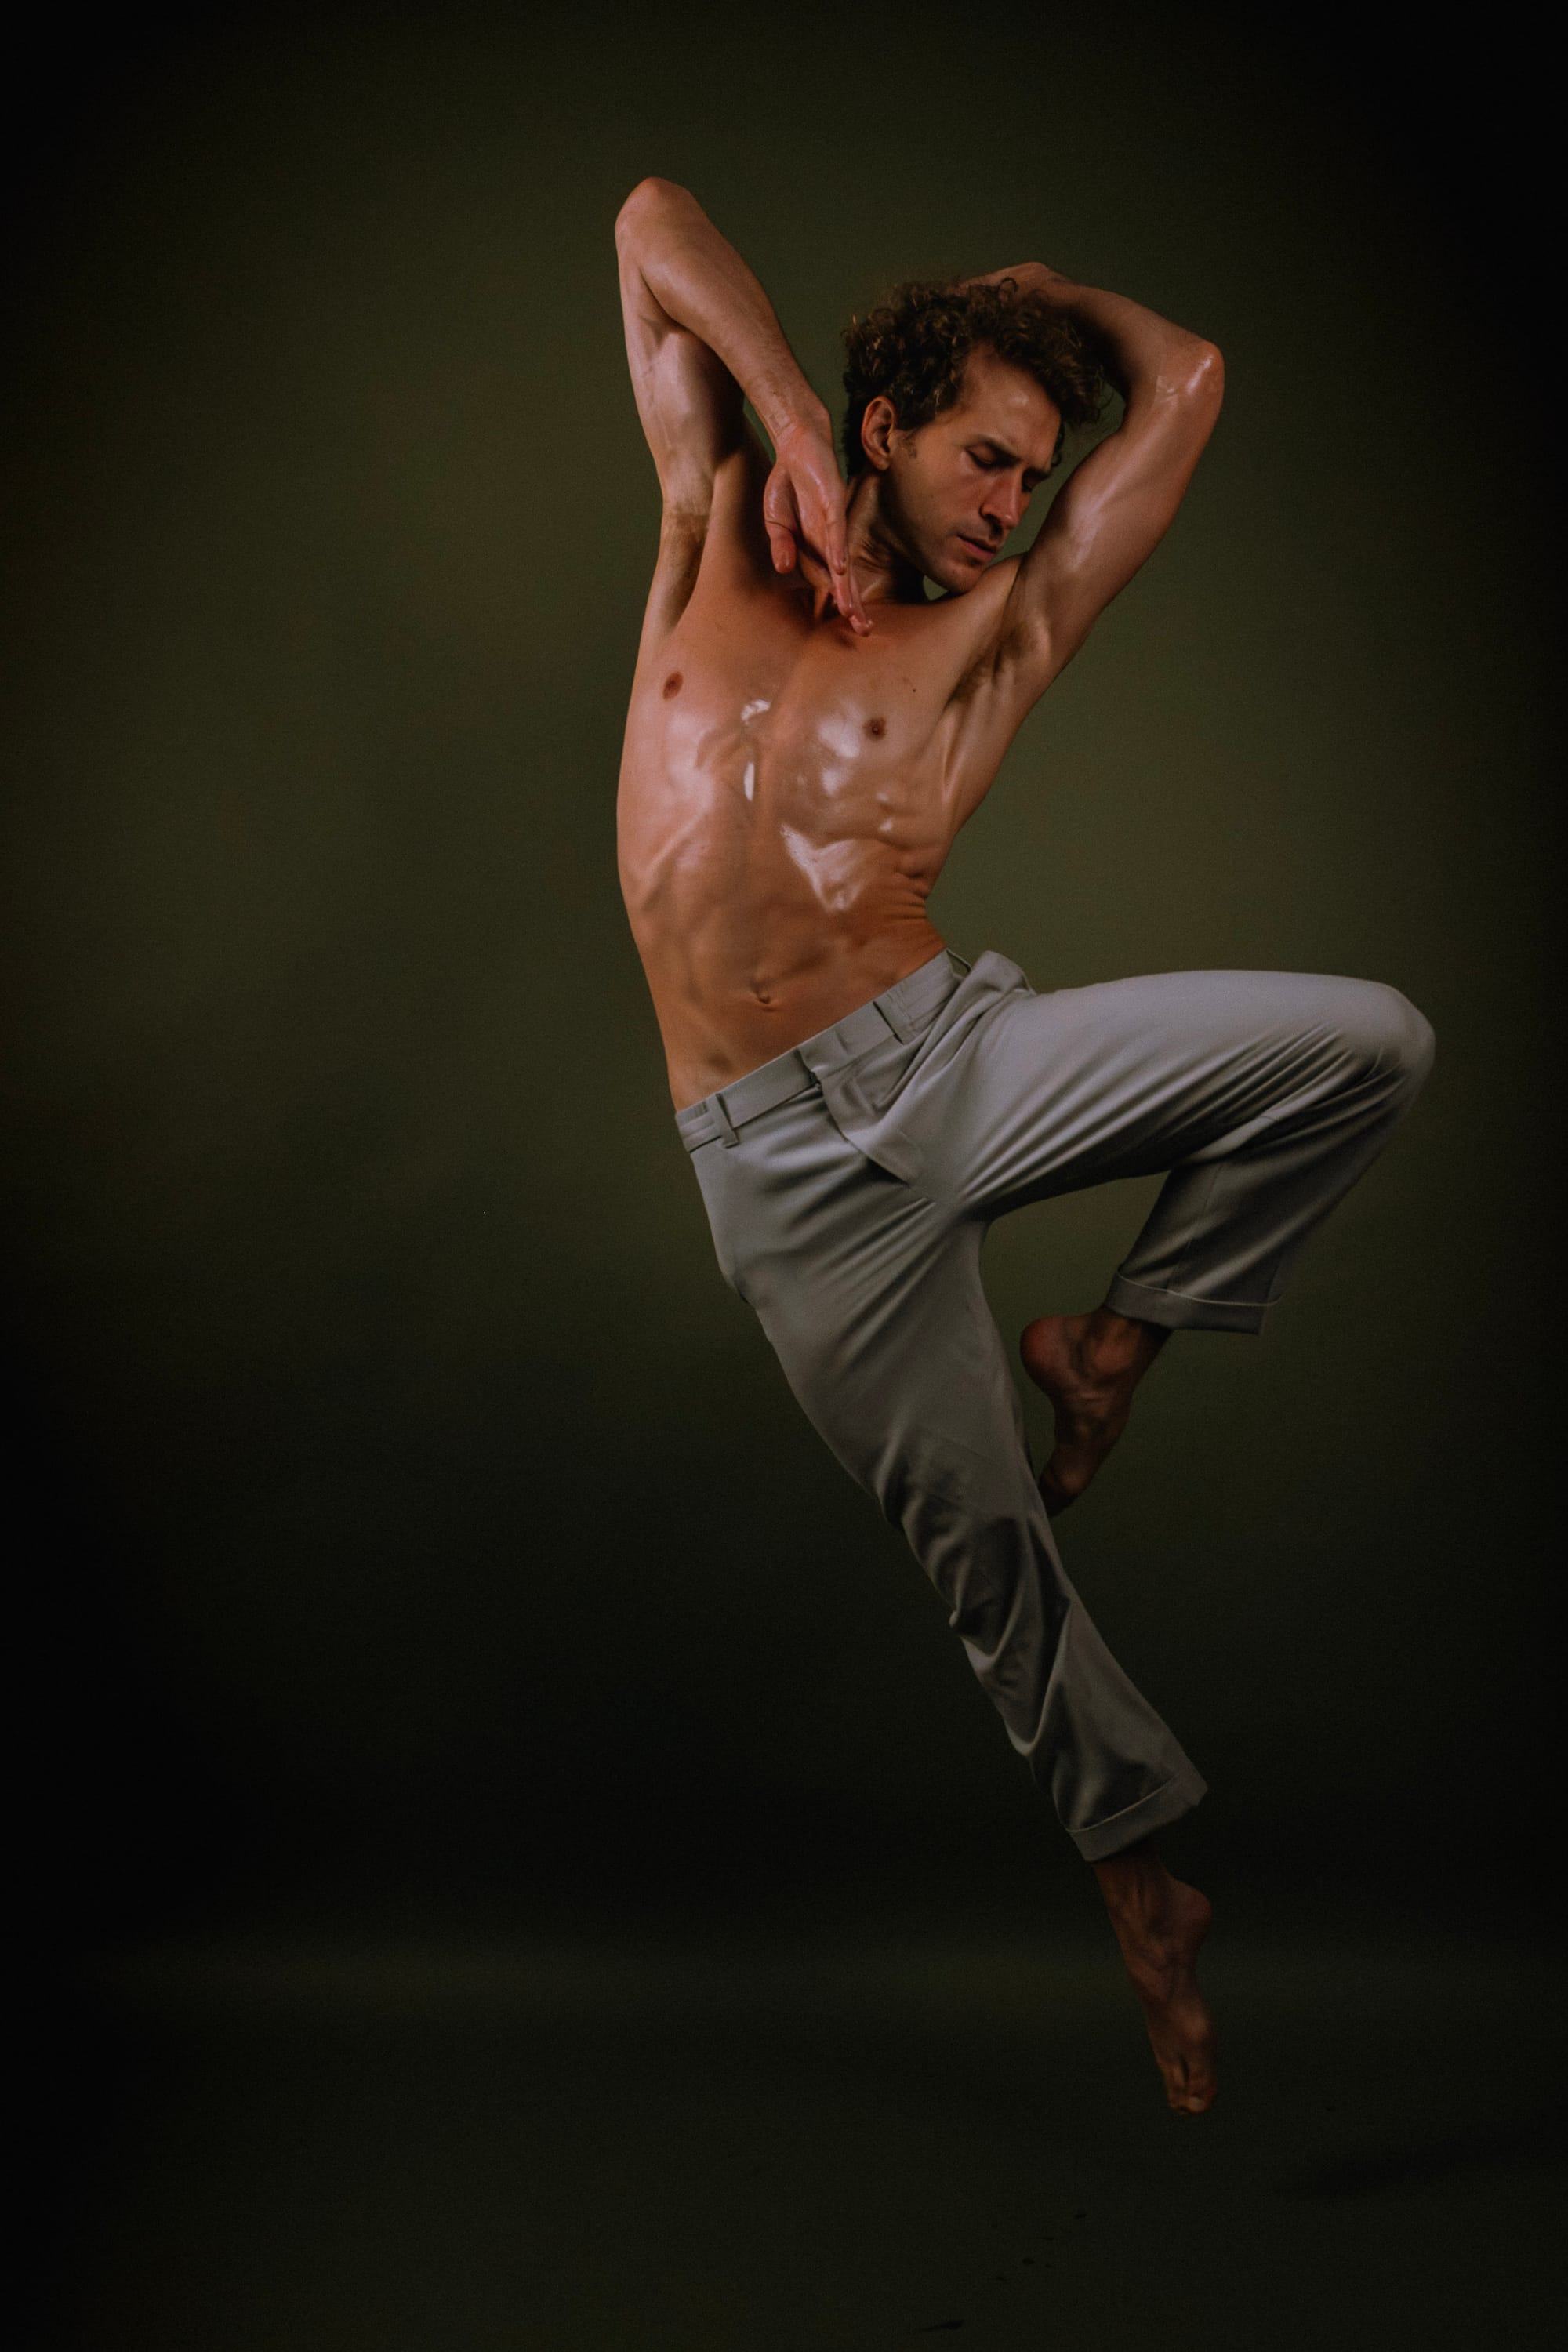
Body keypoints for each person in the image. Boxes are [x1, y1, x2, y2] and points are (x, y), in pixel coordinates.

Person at [613, 176, 1433, 2114]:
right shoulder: (712, 509)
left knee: (1368, 1046)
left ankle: (1116, 1347)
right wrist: (787, 421)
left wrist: (1046, 289)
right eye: (984, 457)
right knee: (989, 1566)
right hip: (768, 1167)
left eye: (1035, 473)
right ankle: (1145, 1892)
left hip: (951, 1061)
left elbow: (1193, 378)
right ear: (884, 426)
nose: (1010, 502)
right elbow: (648, 225)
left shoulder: (1003, 623)